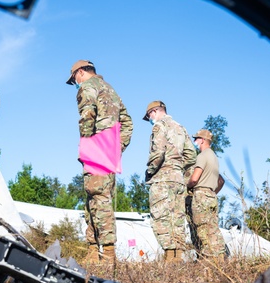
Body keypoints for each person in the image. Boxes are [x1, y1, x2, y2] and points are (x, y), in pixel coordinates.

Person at [68, 60, 133, 261]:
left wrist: (88, 145)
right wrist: (117, 147)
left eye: (74, 80)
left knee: (98, 199)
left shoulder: (88, 87)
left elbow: (87, 117)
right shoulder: (111, 90)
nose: (75, 84)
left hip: (96, 146)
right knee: (99, 197)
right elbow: (128, 123)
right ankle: (94, 251)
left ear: (80, 73)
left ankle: (104, 252)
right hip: (109, 146)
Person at [143, 101, 195, 260]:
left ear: (154, 112)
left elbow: (158, 153)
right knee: (177, 218)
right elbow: (191, 155)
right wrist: (177, 167)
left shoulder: (159, 126)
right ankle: (177, 257)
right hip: (178, 180)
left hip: (162, 179)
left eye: (149, 115)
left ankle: (169, 257)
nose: (150, 118)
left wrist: (150, 171)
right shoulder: (181, 128)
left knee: (161, 217)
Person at [187, 128, 227, 256]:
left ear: (203, 140)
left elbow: (194, 179)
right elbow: (221, 181)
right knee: (213, 229)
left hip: (201, 195)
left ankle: (209, 260)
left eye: (196, 138)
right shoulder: (214, 157)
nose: (194, 141)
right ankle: (220, 257)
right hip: (211, 195)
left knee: (203, 229)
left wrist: (187, 186)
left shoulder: (202, 156)